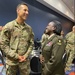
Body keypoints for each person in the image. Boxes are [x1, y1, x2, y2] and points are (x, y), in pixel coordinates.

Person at [1, 2, 34, 75]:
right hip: (12, 62)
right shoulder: (9, 26)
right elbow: (3, 45)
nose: (27, 13)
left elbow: (31, 44)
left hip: (24, 63)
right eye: (25, 10)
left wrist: (25, 56)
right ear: (18, 10)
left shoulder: (29, 29)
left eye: (28, 11)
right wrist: (16, 56)